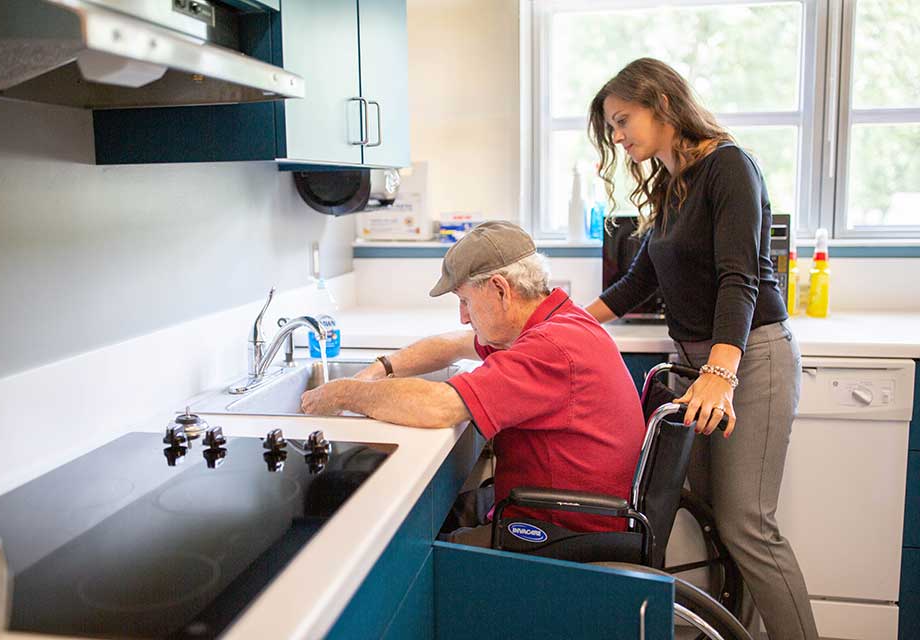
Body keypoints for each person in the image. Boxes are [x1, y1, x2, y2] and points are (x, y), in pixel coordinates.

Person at [583, 58, 819, 639]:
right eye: (611, 127)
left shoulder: (729, 168)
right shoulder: (672, 184)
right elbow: (638, 283)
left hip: (746, 361)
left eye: (621, 120)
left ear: (661, 103)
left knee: (747, 527)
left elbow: (739, 278)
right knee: (716, 523)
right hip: (699, 369)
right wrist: (557, 326)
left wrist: (719, 373)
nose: (617, 137)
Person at [301, 221, 645, 545]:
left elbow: (438, 406)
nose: (463, 315)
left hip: (555, 533)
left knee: (400, 537)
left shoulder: (548, 349)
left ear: (500, 289)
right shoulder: (559, 320)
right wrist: (381, 368)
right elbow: (455, 343)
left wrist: (345, 392)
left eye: (465, 301)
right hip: (562, 511)